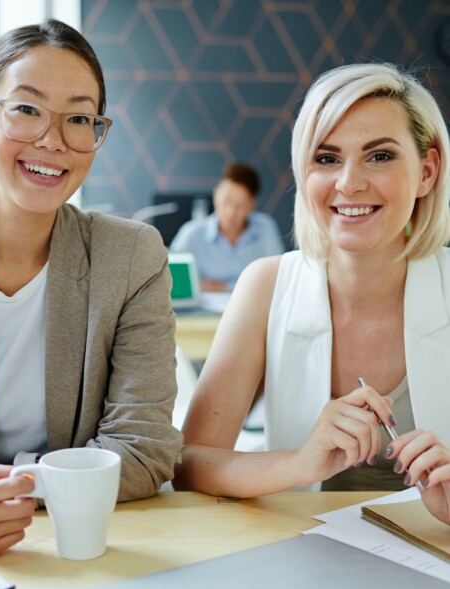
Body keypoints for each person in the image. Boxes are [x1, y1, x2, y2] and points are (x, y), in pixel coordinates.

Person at [0, 19, 182, 555]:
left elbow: (145, 452)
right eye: (27, 109)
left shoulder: (130, 257)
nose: (52, 140)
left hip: (104, 539)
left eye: (78, 118)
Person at [173, 62, 450, 499]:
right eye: (327, 158)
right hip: (297, 555)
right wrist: (299, 463)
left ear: (427, 171)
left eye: (379, 156)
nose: (349, 182)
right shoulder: (265, 286)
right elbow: (188, 463)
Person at [169, 163, 284, 292]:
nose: (231, 212)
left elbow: (277, 278)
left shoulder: (265, 228)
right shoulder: (192, 233)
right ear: (216, 196)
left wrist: (221, 286)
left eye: (240, 206)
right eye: (226, 202)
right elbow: (170, 278)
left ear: (252, 204)